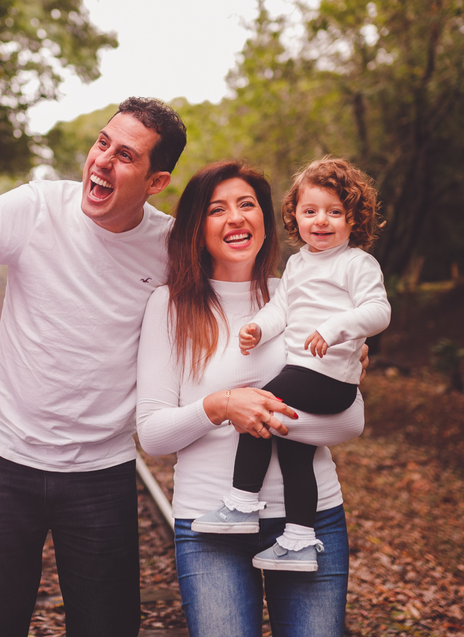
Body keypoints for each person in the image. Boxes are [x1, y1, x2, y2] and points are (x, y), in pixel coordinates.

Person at [0, 97, 202, 637]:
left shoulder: (172, 246)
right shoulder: (34, 208)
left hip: (100, 471)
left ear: (156, 182)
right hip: (2, 458)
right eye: (102, 143)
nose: (102, 160)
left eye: (125, 155)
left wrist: (329, 340)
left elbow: (238, 303)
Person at [137, 160, 367, 637]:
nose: (236, 218)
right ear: (197, 227)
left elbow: (349, 421)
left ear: (266, 218)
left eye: (247, 204)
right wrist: (220, 407)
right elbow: (153, 434)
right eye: (217, 209)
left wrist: (258, 412)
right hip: (209, 525)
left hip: (311, 520)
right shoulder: (171, 306)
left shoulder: (303, 295)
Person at [191, 156, 389, 572]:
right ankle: (300, 538)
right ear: (294, 216)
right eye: (310, 211)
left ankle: (242, 503)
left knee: (259, 405)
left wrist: (336, 329)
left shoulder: (357, 263)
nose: (322, 221)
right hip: (307, 372)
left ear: (354, 219)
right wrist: (258, 330)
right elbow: (280, 308)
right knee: (296, 454)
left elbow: (378, 312)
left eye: (335, 212)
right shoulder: (298, 266)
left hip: (329, 376)